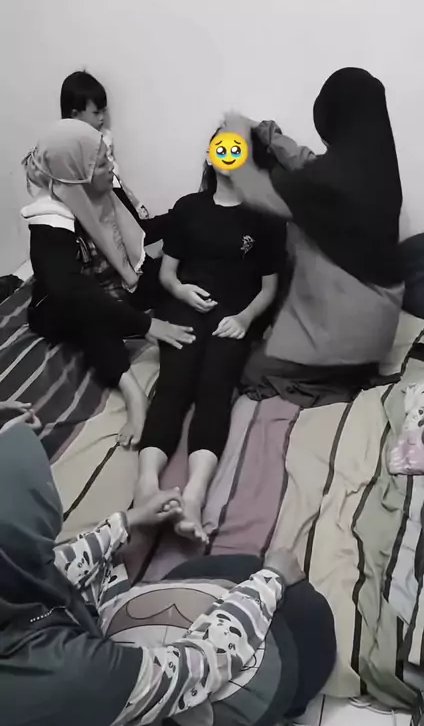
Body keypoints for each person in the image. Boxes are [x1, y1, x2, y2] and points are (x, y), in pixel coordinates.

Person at [0, 424, 337, 726]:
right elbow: (198, 665)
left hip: (60, 708)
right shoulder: (68, 672)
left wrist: (127, 521)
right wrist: (271, 580)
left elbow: (53, 563)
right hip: (80, 725)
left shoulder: (16, 576)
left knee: (99, 571)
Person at [222, 68, 404, 406]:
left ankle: (328, 376)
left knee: (248, 371)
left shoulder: (326, 181)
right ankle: (342, 369)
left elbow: (254, 189)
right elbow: (308, 164)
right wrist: (268, 133)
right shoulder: (378, 169)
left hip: (342, 331)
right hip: (379, 332)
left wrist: (236, 133)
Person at [136, 134, 286, 540]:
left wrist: (244, 318)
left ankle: (194, 496)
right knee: (174, 384)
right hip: (184, 308)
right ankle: (146, 487)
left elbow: (269, 288)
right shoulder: (189, 207)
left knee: (214, 387)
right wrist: (182, 291)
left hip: (233, 317)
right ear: (210, 154)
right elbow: (167, 274)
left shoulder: (265, 217)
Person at [21, 119, 195, 446]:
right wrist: (146, 325)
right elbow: (70, 291)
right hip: (63, 305)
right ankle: (133, 394)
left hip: (113, 284)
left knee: (178, 273)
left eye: (107, 157)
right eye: (101, 162)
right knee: (91, 314)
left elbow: (138, 232)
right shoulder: (48, 223)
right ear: (76, 173)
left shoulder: (106, 190)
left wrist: (186, 213)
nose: (111, 166)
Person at [60, 70, 168, 245]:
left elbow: (117, 179)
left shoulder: (103, 138)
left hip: (115, 196)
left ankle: (178, 216)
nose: (102, 118)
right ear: (75, 115)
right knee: (141, 234)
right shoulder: (68, 150)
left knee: (143, 230)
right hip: (105, 205)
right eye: (96, 113)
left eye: (104, 111)